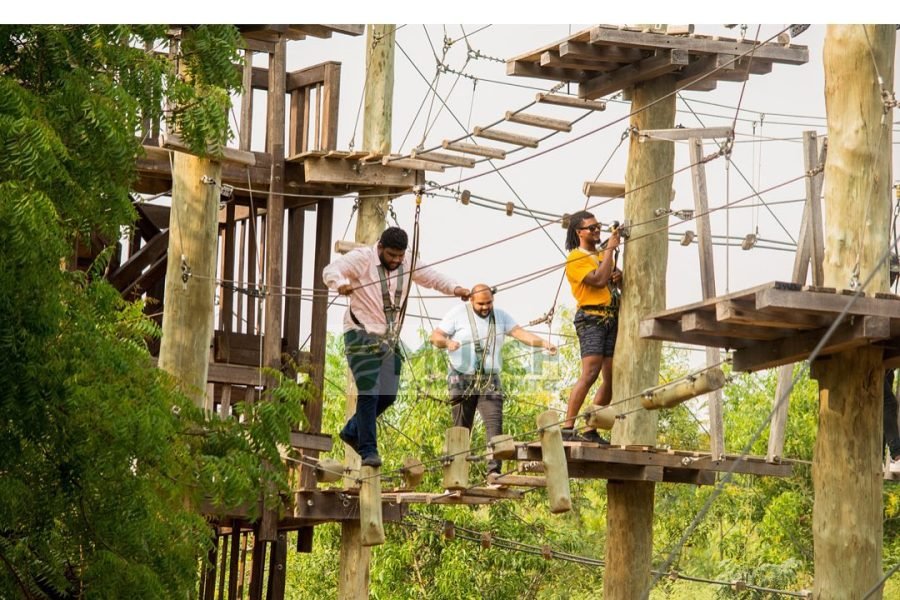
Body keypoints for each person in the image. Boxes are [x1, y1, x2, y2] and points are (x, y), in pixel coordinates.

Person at [323, 226, 469, 467]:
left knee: (389, 395)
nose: (396, 260)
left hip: (388, 339)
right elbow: (332, 270)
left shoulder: (407, 261)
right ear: (380, 247)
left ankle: (352, 430)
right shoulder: (363, 259)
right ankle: (368, 450)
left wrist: (456, 289)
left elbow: (432, 277)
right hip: (360, 334)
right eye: (391, 255)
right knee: (369, 391)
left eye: (400, 256)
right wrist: (339, 283)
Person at [430, 284, 557, 477]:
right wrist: (448, 342)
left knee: (494, 425)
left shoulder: (501, 316)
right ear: (471, 300)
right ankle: (455, 477)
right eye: (481, 303)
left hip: (490, 377)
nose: (485, 307)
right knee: (461, 428)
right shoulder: (457, 313)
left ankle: (493, 472)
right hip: (462, 376)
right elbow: (435, 336)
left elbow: (519, 333)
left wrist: (542, 343)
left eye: (489, 302)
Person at [562, 210, 622, 443]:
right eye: (592, 228)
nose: (597, 231)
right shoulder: (575, 258)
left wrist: (618, 276)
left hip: (610, 317)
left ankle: (591, 427)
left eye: (599, 226)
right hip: (591, 318)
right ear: (579, 232)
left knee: (610, 378)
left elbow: (612, 279)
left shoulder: (601, 256)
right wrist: (609, 251)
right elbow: (597, 280)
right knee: (590, 373)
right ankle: (568, 427)